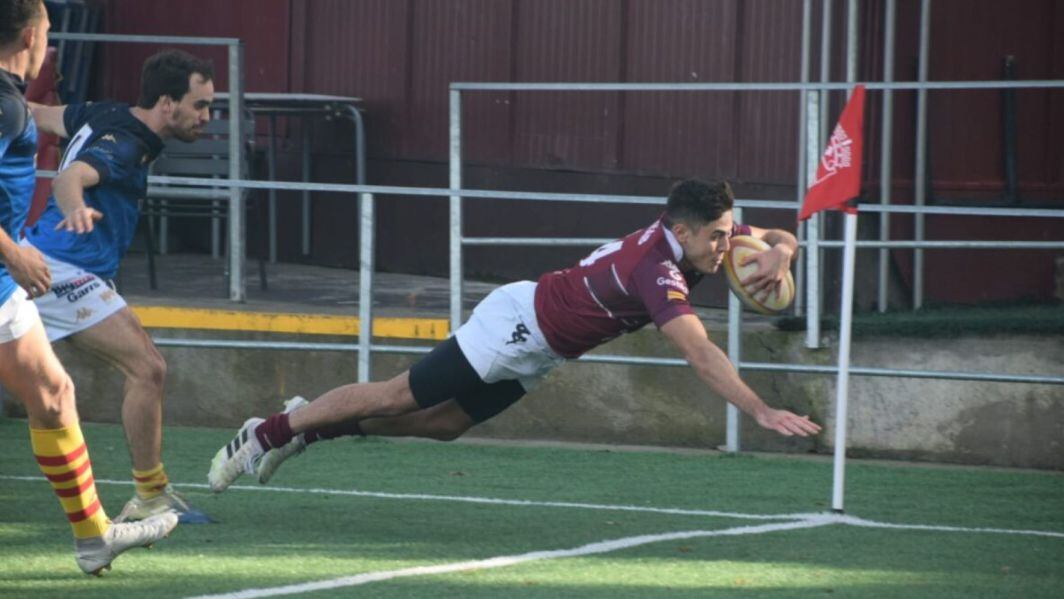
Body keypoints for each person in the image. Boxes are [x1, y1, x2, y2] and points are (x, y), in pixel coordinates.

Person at [208, 178, 821, 492]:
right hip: (517, 327)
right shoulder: (655, 271)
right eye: (717, 235)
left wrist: (781, 254)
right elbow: (699, 350)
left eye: (729, 231)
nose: (728, 245)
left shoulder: (694, 235)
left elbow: (774, 237)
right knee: (400, 396)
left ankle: (311, 426)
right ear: (682, 231)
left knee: (446, 426)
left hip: (542, 347)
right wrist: (760, 410)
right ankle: (267, 432)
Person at [0, 0, 177, 575]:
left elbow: (51, 121)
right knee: (137, 369)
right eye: (49, 32)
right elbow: (73, 176)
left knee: (54, 395)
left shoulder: (31, 104)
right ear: (31, 36)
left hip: (11, 278)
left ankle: (94, 535)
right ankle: (129, 506)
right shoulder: (4, 106)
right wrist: (17, 250)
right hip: (27, 265)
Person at [23, 48, 215, 523]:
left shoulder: (102, 112)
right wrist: (74, 206)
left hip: (48, 262)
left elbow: (37, 114)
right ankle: (150, 495)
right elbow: (72, 177)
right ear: (167, 104)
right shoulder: (128, 142)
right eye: (200, 105)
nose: (207, 117)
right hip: (62, 269)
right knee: (148, 369)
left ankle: (150, 493)